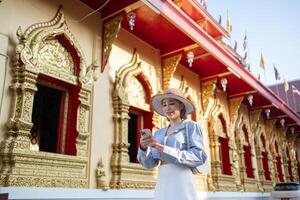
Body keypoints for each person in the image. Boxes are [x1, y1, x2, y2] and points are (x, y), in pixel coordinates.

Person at [137, 88, 207, 200]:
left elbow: (199, 156)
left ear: (181, 106)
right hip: (163, 177)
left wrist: (164, 149)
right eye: (164, 105)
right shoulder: (159, 133)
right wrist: (143, 147)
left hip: (181, 176)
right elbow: (149, 164)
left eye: (171, 103)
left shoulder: (190, 126)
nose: (167, 108)